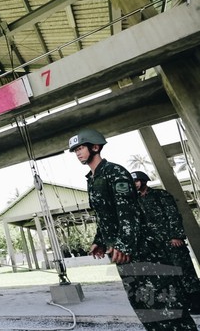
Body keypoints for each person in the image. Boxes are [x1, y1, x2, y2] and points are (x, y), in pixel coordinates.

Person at [68, 129, 197, 330]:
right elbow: (105, 216)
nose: (77, 153)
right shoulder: (92, 179)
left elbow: (127, 211)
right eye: (75, 150)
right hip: (121, 253)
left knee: (164, 301)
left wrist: (124, 245)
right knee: (142, 303)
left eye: (81, 148)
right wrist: (99, 241)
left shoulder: (115, 172)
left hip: (140, 250)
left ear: (95, 147)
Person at [132, 170, 200, 314]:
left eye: (136, 181)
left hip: (172, 242)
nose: (135, 185)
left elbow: (173, 215)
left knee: (185, 272)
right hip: (156, 246)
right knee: (169, 276)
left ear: (144, 181)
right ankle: (184, 304)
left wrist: (176, 236)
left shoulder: (160, 195)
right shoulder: (136, 201)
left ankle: (197, 302)